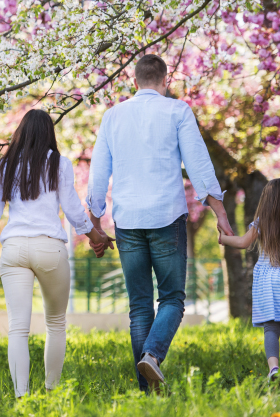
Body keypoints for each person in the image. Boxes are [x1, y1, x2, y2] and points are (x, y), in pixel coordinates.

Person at [87, 54, 234, 393]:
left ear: (134, 81)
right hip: (167, 217)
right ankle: (152, 356)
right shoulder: (177, 111)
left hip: (128, 220)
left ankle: (147, 391)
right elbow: (198, 164)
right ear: (165, 81)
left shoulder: (112, 117)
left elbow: (98, 175)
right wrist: (219, 211)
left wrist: (95, 222)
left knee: (139, 306)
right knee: (172, 299)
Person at [0, 109, 113, 398]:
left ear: (21, 133)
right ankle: (51, 392)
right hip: (49, 248)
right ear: (48, 134)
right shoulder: (60, 164)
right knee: (55, 323)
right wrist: (98, 237)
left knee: (18, 328)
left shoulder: (5, 166)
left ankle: (21, 396)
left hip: (14, 248)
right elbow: (73, 212)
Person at [218, 178, 280, 386]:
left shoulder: (262, 223)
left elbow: (242, 243)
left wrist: (223, 238)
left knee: (271, 329)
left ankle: (273, 367)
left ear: (268, 201)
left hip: (268, 280)